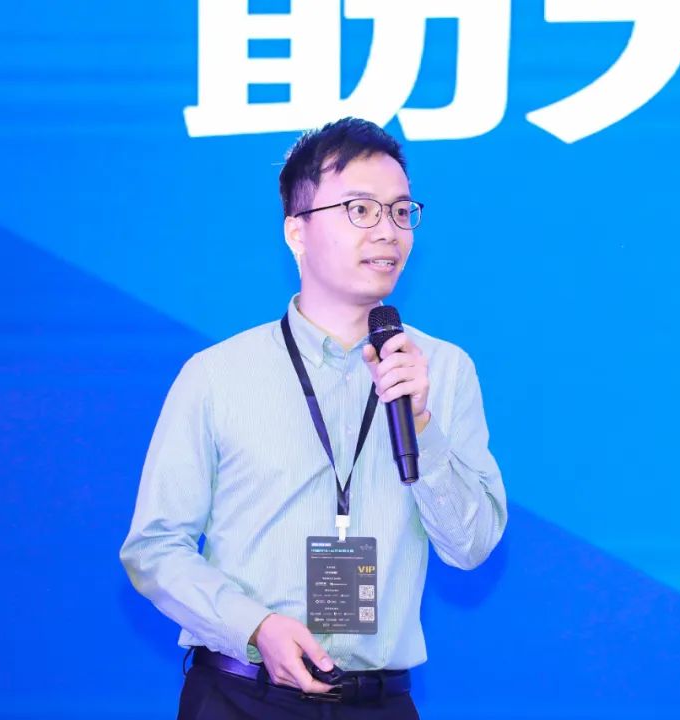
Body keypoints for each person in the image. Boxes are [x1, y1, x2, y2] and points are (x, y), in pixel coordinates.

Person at [120, 117, 507, 719]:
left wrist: (423, 427)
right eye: (361, 210)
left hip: (378, 702)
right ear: (296, 232)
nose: (388, 231)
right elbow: (155, 547)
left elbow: (472, 546)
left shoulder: (443, 370)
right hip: (240, 697)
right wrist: (255, 627)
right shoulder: (217, 374)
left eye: (400, 211)